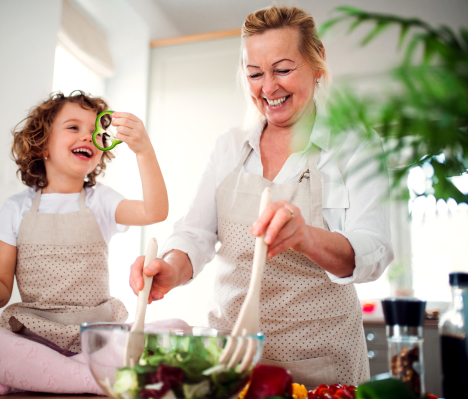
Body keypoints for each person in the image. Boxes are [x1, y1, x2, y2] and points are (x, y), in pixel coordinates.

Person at [129, 5, 393, 387]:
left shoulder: (355, 146)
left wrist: (307, 238)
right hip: (232, 364)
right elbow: (195, 235)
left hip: (321, 368)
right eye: (255, 73)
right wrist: (169, 268)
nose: (268, 88)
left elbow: (373, 250)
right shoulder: (229, 147)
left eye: (283, 69)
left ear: (318, 65)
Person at [0, 91, 168, 394]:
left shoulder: (101, 200)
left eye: (96, 131)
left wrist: (144, 151)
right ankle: (96, 380)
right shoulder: (16, 208)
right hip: (36, 340)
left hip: (97, 338)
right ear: (43, 146)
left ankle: (47, 376)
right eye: (74, 127)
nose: (88, 137)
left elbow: (155, 211)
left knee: (175, 329)